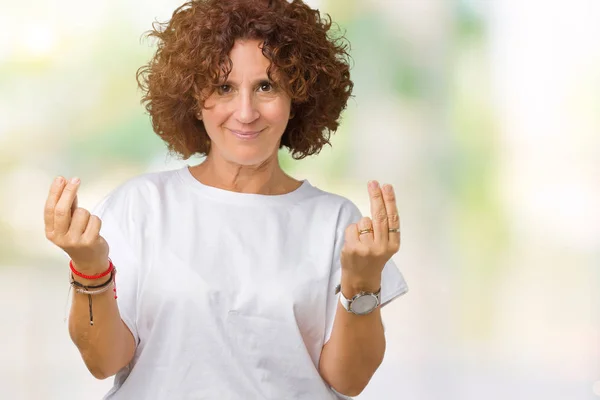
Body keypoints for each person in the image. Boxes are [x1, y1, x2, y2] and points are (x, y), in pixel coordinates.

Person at [43, 0, 408, 398]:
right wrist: (90, 270)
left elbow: (349, 380)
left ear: (298, 96)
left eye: (266, 86)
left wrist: (362, 281)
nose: (246, 112)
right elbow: (104, 362)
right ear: (193, 99)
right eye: (224, 88)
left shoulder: (335, 221)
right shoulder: (141, 207)